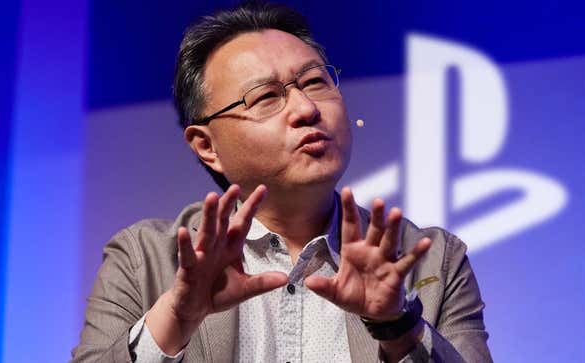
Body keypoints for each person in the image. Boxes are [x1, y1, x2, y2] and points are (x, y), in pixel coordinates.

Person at [71, 2, 492, 362]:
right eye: (266, 97)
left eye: (314, 81)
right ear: (206, 145)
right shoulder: (143, 258)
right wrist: (176, 318)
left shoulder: (430, 258)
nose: (306, 108)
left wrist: (397, 324)